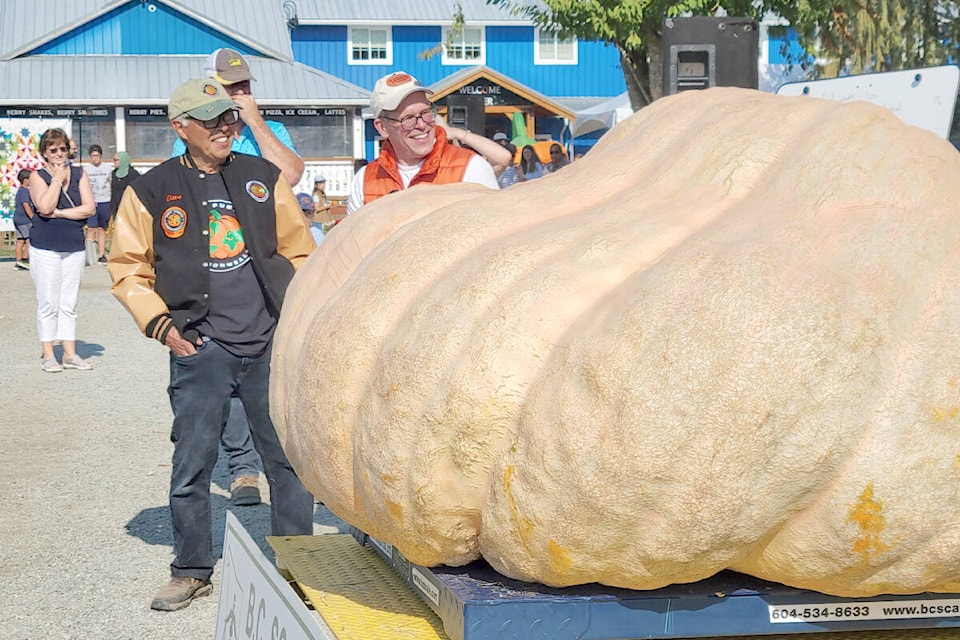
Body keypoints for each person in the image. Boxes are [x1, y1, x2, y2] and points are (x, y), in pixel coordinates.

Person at [108, 78, 316, 611]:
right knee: (193, 465)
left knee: (289, 463)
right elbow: (128, 268)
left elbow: (300, 252)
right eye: (211, 120)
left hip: (268, 342)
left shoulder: (262, 178)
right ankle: (191, 568)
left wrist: (293, 315)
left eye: (229, 117)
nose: (225, 126)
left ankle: (296, 567)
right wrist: (162, 326)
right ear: (181, 128)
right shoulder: (150, 190)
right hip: (201, 347)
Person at [173, 47, 309, 507]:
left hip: (266, 277)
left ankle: (286, 473)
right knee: (224, 380)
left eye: (245, 87)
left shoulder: (266, 130)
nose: (239, 96)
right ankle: (242, 468)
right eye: (232, 89)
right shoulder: (192, 135)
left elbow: (290, 174)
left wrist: (254, 122)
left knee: (271, 381)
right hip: (219, 271)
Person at [347, 71, 505, 214]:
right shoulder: (364, 180)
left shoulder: (470, 168)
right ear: (382, 128)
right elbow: (354, 244)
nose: (422, 124)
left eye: (425, 113)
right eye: (408, 118)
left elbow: (496, 236)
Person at [171, 48, 304, 188]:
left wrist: (255, 121)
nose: (240, 91)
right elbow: (185, 187)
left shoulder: (274, 130)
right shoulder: (193, 136)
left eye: (244, 84)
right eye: (232, 85)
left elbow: (290, 177)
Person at [27, 128, 96, 372]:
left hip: (73, 246)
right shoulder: (38, 177)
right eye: (53, 150)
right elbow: (44, 206)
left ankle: (69, 353)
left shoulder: (79, 173)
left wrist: (62, 213)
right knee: (48, 301)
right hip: (45, 246)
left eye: (63, 149)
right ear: (44, 153)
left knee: (69, 303)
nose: (59, 154)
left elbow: (89, 208)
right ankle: (48, 354)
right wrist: (56, 179)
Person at [83, 144, 113, 263]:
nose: (95, 158)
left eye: (97, 156)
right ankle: (89, 255)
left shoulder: (107, 168)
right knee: (91, 228)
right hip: (92, 201)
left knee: (102, 228)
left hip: (105, 200)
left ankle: (101, 254)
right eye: (93, 156)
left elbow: (111, 183)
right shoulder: (86, 169)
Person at [109, 151, 141, 221]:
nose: (114, 162)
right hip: (116, 208)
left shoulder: (133, 174)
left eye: (116, 160)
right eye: (113, 160)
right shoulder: (114, 174)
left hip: (129, 209)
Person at [13, 169, 34, 270]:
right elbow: (26, 205)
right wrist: (32, 217)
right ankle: (25, 260)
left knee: (20, 240)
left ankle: (18, 262)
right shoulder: (25, 191)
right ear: (25, 180)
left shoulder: (20, 190)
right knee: (30, 238)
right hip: (25, 219)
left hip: (17, 219)